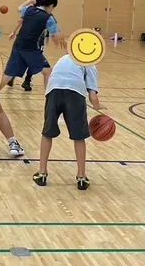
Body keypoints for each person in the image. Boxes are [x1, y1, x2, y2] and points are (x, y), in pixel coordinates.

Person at [33, 53, 101, 192]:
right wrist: (99, 107)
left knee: (47, 133)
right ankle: (81, 177)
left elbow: (52, 76)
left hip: (53, 90)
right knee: (79, 137)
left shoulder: (63, 57)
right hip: (75, 93)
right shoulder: (90, 64)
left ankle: (42, 173)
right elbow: (93, 97)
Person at [3, 0, 61, 89]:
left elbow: (20, 8)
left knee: (8, 76)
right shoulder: (48, 18)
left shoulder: (28, 10)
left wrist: (29, 1)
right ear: (51, 6)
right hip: (30, 49)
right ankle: (49, 99)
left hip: (18, 45)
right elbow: (57, 35)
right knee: (47, 72)